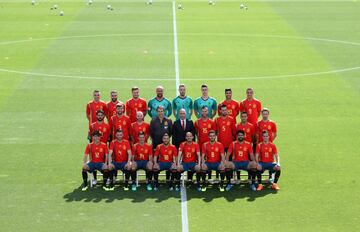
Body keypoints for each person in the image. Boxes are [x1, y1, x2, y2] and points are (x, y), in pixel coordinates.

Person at [172, 109, 196, 181]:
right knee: (179, 162)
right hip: (179, 146)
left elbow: (193, 134)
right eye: (181, 113)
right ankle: (178, 178)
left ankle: (190, 178)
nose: (182, 115)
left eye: (183, 113)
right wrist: (175, 147)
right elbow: (174, 136)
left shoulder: (190, 122)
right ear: (179, 114)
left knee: (190, 160)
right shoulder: (176, 123)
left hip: (189, 146)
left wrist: (193, 144)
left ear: (186, 114)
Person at [236, 111, 256, 181]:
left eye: (245, 116)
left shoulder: (251, 126)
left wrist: (251, 144)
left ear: (247, 117)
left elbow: (253, 136)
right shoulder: (237, 126)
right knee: (237, 160)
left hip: (248, 147)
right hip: (239, 146)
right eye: (242, 116)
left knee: (249, 162)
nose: (243, 118)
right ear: (240, 117)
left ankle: (249, 178)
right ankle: (238, 178)